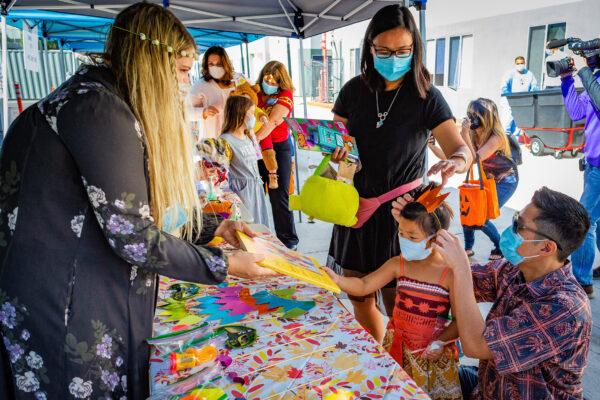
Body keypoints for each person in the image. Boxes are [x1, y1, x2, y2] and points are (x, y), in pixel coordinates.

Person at [0, 4, 276, 399]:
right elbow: (131, 233)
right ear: (151, 63)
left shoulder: (99, 99)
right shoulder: (97, 109)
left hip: (71, 285)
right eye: (182, 71)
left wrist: (217, 227)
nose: (186, 83)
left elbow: (128, 209)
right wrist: (225, 264)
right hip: (63, 301)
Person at [326, 4, 471, 344]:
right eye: (384, 51)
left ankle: (405, 366)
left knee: (400, 301)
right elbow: (335, 154)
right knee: (359, 295)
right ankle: (379, 356)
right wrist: (336, 160)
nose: (394, 58)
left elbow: (461, 150)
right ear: (370, 48)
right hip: (355, 211)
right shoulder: (351, 91)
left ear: (415, 49)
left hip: (401, 216)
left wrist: (456, 162)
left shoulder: (426, 96)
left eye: (403, 51)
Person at [428, 187, 592, 400]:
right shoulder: (515, 269)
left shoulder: (564, 309)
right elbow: (451, 277)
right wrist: (421, 227)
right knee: (420, 376)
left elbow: (475, 345)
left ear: (545, 248)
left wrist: (460, 268)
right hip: (488, 388)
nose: (510, 230)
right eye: (515, 218)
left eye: (519, 226)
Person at [327, 185, 462, 400]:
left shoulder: (450, 274)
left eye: (412, 236)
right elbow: (363, 286)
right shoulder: (397, 264)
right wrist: (337, 279)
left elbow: (459, 321)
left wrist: (441, 341)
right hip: (397, 350)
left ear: (436, 239)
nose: (404, 240)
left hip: (431, 358)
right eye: (401, 233)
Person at [460, 98, 518, 260]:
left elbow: (475, 158)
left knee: (482, 217)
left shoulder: (497, 137)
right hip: (488, 180)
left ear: (487, 118)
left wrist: (464, 135)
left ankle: (500, 247)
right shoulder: (473, 134)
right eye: (469, 114)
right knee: (469, 209)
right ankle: (468, 248)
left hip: (505, 182)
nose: (471, 119)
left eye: (475, 115)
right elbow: (461, 152)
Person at [561, 62, 600, 299]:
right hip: (593, 164)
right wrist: (567, 79)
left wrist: (585, 73)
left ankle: (582, 281)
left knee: (583, 221)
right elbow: (577, 112)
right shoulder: (594, 80)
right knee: (595, 220)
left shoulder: (592, 80)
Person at [255, 61, 299, 249]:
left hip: (279, 149)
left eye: (275, 80)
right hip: (257, 151)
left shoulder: (285, 95)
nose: (270, 82)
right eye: (267, 77)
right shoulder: (255, 94)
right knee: (254, 194)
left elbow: (273, 121)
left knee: (279, 196)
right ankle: (257, 238)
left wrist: (250, 142)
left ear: (282, 81)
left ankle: (288, 242)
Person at [221, 96, 270, 228]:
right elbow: (221, 176)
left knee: (260, 226)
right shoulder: (225, 141)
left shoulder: (248, 136)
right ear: (240, 114)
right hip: (242, 193)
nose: (254, 117)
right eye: (252, 113)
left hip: (256, 190)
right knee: (248, 227)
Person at [189, 46, 244, 139]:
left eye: (219, 64)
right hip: (213, 140)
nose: (215, 67)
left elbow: (252, 96)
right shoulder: (200, 85)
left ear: (226, 63)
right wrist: (203, 112)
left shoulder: (239, 80)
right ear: (206, 65)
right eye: (211, 64)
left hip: (237, 138)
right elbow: (186, 112)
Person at [500, 56, 539, 136]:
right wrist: (507, 93)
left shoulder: (529, 74)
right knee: (507, 120)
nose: (520, 65)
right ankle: (505, 139)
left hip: (522, 102)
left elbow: (534, 86)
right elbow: (504, 85)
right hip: (509, 101)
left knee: (518, 123)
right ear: (515, 64)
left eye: (521, 63)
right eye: (518, 63)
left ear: (524, 63)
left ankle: (516, 141)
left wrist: (531, 94)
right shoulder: (510, 73)